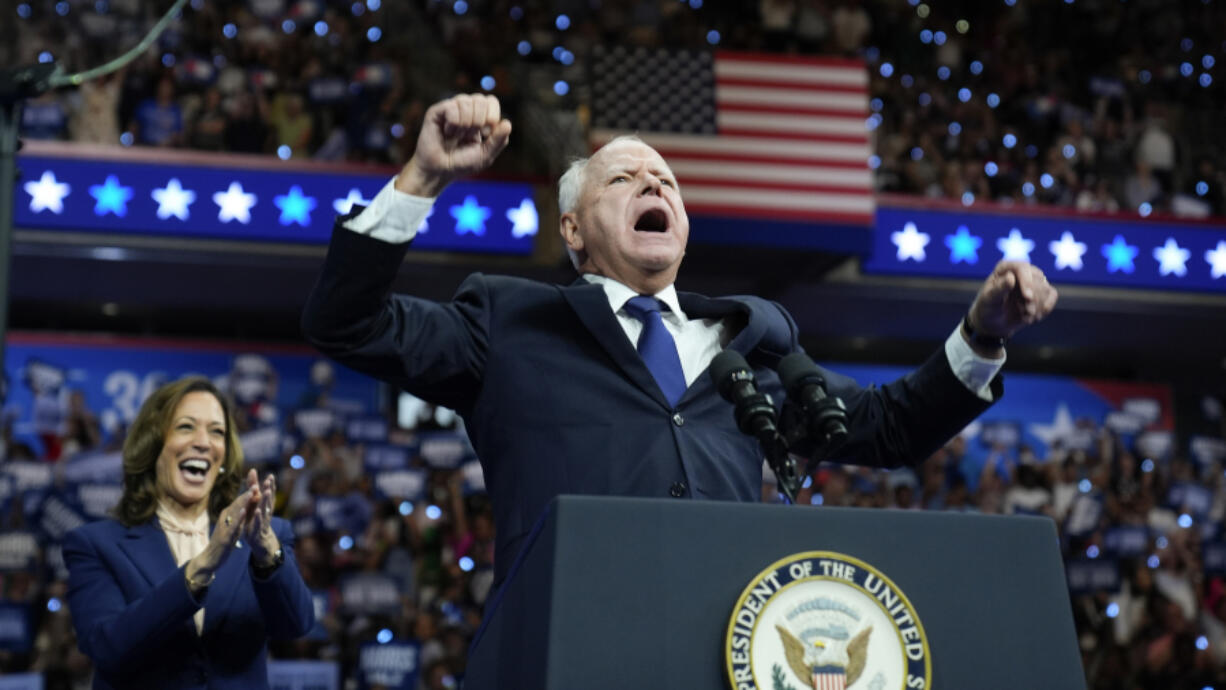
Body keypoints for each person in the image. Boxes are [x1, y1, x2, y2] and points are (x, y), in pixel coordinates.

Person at [302, 94, 1059, 585]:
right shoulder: (507, 320)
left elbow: (891, 427)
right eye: (624, 180)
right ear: (573, 231)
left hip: (723, 645)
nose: (654, 186)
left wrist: (982, 333)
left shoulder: (753, 341)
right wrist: (422, 179)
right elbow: (348, 322)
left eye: (665, 180)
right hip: (566, 649)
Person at [63, 377, 314, 689]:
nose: (203, 442)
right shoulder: (95, 544)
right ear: (152, 445)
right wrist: (203, 565)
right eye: (186, 427)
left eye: (216, 431)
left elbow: (296, 624)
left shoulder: (267, 534)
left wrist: (266, 553)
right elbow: (107, 648)